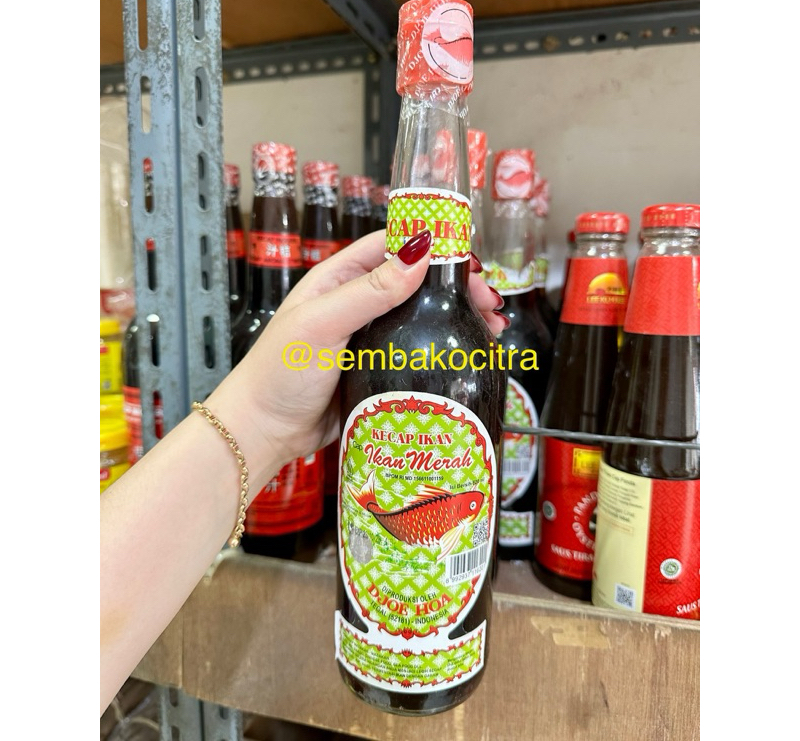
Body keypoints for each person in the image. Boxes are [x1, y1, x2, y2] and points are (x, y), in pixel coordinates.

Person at [100, 229, 508, 713]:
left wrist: (261, 424)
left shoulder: (466, 338)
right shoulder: (380, 336)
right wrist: (260, 417)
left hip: (453, 641)